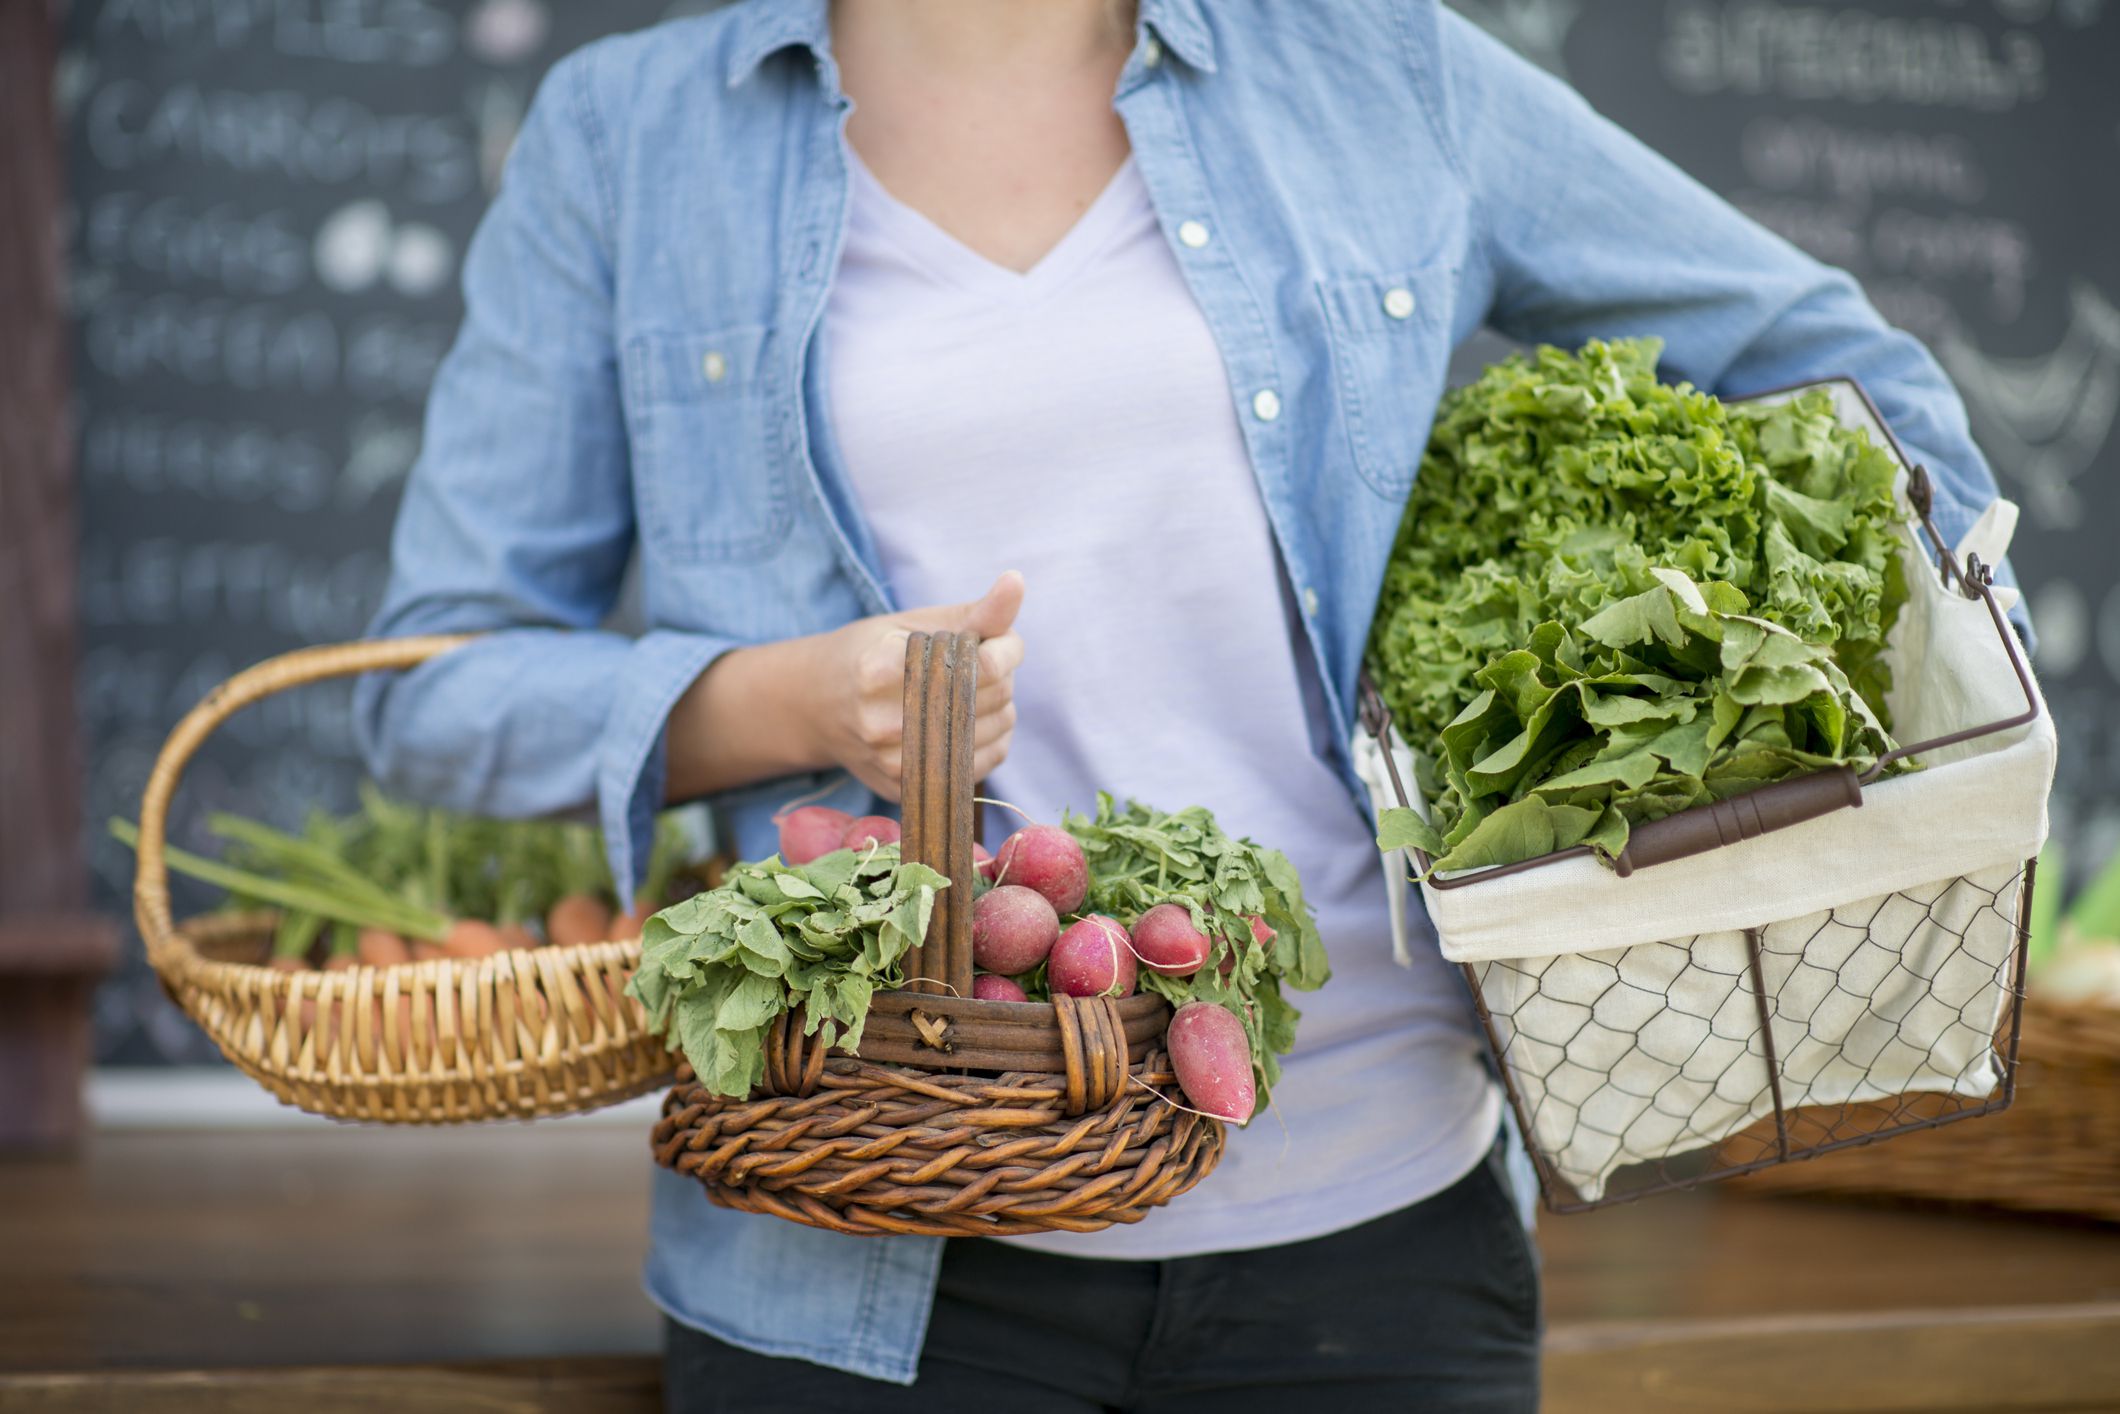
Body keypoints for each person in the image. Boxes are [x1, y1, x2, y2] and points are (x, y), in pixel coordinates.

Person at [356, 2, 2024, 1409]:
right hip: (863, 1265)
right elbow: (433, 685)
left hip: (1376, 1230)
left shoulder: (1375, 67)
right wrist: (794, 698)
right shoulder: (630, 138)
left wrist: (1917, 680)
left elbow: (1820, 351)